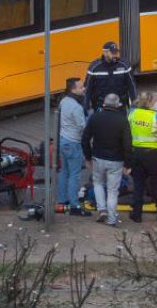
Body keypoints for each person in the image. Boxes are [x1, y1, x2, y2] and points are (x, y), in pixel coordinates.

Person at [82, 92, 133, 226]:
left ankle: (101, 210)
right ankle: (111, 219)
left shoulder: (95, 117)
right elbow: (128, 144)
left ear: (104, 104)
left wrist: (88, 157)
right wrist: (128, 164)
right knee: (112, 191)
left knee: (98, 183)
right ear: (118, 105)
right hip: (116, 160)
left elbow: (85, 139)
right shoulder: (122, 120)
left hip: (98, 157)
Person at [127, 92, 157, 223]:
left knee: (138, 184)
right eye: (156, 101)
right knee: (156, 183)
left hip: (136, 152)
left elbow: (128, 129)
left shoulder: (133, 113)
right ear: (151, 103)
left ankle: (137, 214)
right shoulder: (156, 116)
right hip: (152, 153)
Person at [58, 77, 90, 216]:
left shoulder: (64, 101)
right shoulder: (77, 107)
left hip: (63, 141)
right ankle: (74, 205)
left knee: (64, 172)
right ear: (73, 89)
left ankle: (62, 201)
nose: (84, 89)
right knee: (74, 175)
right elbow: (82, 127)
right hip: (73, 143)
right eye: (81, 87)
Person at [84, 41, 137, 112]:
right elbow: (87, 88)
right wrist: (86, 106)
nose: (115, 55)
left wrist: (135, 105)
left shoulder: (124, 65)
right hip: (101, 105)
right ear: (105, 53)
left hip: (121, 104)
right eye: (112, 53)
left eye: (116, 52)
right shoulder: (94, 67)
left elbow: (132, 86)